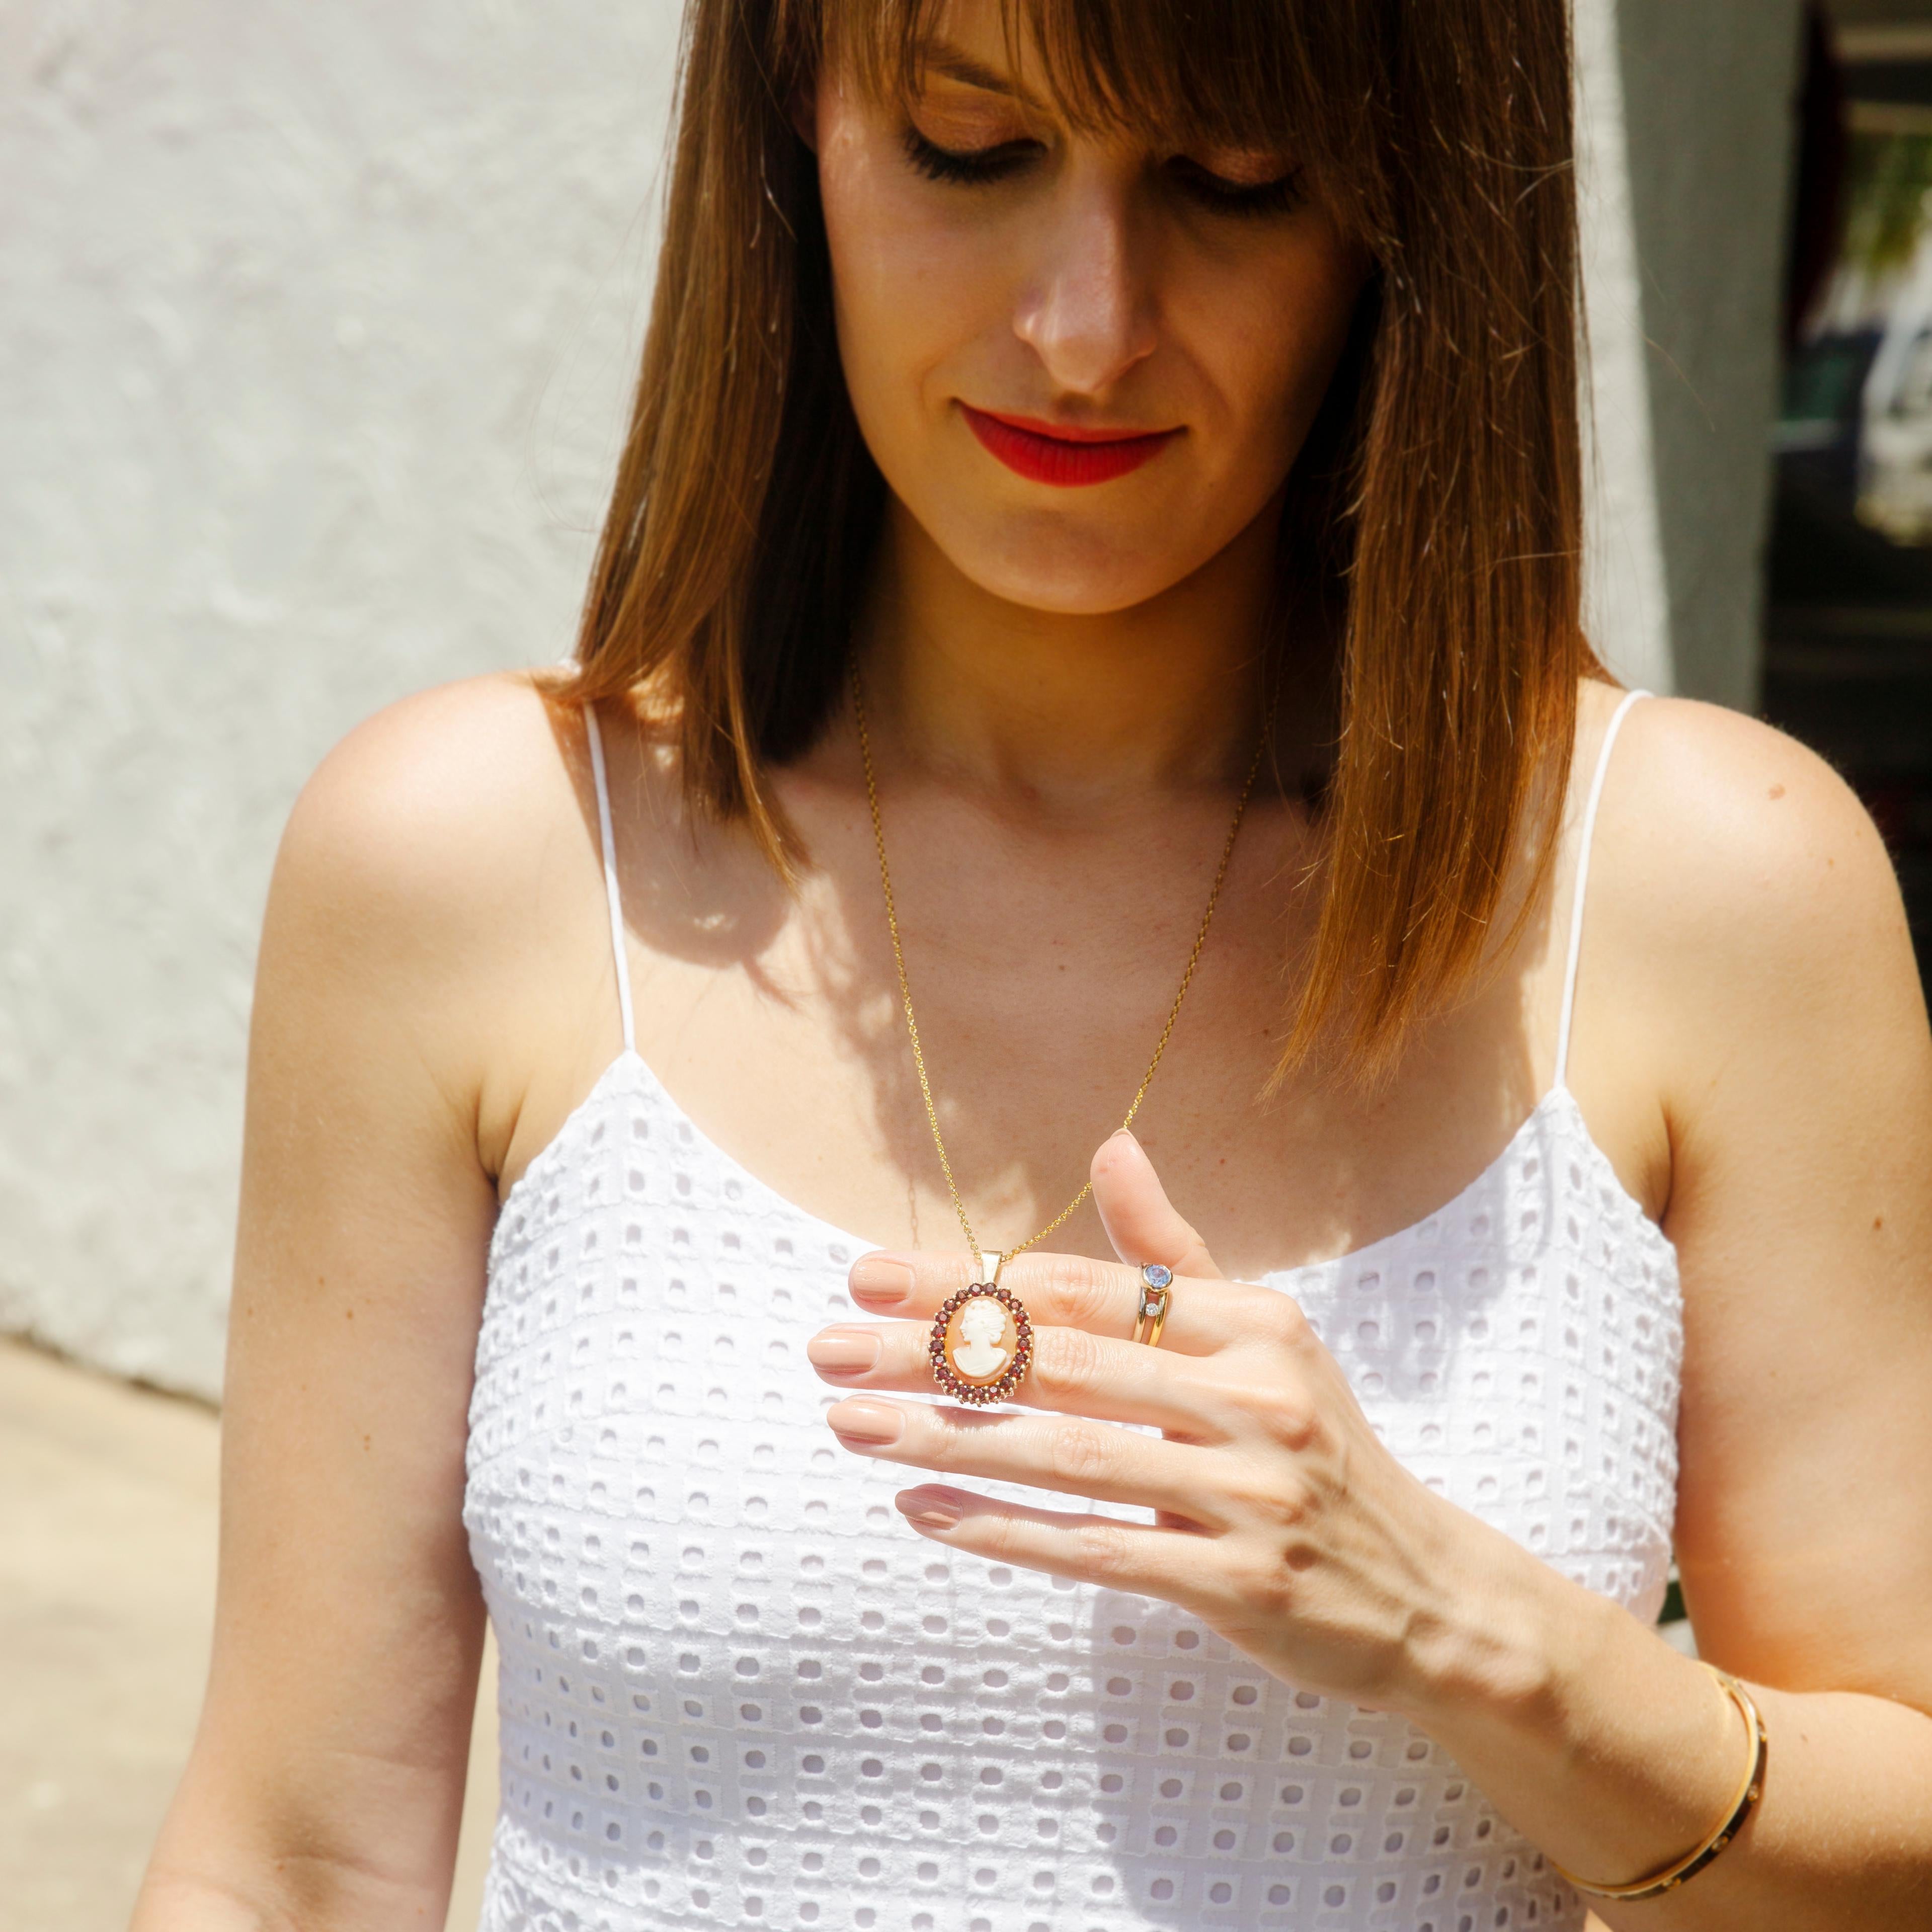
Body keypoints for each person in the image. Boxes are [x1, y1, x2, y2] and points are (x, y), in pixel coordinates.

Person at [131, 0, 1932, 1927]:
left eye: (1234, 182)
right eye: (967, 148)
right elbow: (291, 1863)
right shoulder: (481, 858)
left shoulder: (1702, 890)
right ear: (792, 127)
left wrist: (1474, 1637)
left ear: (1413, 217)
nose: (1087, 328)